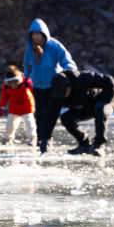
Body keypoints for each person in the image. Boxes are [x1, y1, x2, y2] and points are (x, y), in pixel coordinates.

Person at [23, 18, 76, 154]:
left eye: (38, 34)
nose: (36, 37)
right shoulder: (30, 48)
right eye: (33, 34)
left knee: (50, 114)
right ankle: (41, 138)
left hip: (53, 86)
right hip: (38, 86)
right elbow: (27, 66)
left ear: (44, 34)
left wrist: (68, 72)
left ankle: (47, 138)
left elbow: (66, 60)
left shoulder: (54, 45)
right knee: (39, 113)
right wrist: (26, 78)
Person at [51, 69, 114, 156]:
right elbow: (51, 115)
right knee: (66, 118)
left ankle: (99, 145)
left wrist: (104, 100)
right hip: (88, 106)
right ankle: (85, 145)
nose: (63, 95)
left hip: (107, 102)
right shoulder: (57, 94)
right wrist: (45, 139)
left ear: (69, 86)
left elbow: (110, 81)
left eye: (64, 91)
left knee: (100, 108)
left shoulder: (83, 78)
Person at [0, 65, 36, 146]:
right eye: (11, 83)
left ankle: (32, 138)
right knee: (10, 124)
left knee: (29, 123)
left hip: (27, 106)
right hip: (14, 107)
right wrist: (1, 107)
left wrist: (31, 84)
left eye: (15, 82)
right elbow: (3, 97)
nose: (13, 85)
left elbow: (35, 89)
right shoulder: (5, 87)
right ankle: (7, 138)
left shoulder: (25, 82)